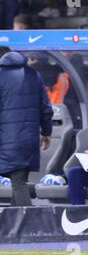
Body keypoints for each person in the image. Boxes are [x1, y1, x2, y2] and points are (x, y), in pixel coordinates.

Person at [0, 47, 53, 206]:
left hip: (8, 139)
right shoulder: (32, 74)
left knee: (18, 183)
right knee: (20, 181)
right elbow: (46, 108)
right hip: (30, 140)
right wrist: (46, 132)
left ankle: (31, 223)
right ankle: (14, 226)